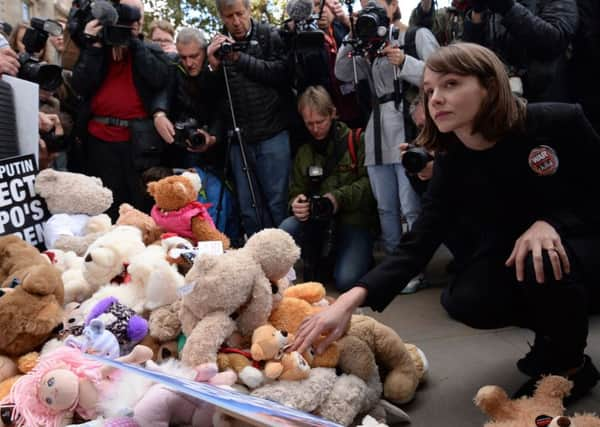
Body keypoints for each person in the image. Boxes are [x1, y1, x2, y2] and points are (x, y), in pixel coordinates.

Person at [293, 43, 600, 402]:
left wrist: (552, 223)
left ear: (488, 86)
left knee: (542, 257)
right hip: (522, 253)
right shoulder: (453, 160)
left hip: (583, 240)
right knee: (466, 298)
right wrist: (347, 302)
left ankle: (571, 367)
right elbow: (418, 243)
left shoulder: (559, 121)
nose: (435, 98)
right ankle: (554, 334)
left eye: (451, 84)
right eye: (429, 90)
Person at [335, 0, 439, 292]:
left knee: (410, 206)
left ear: (393, 5)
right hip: (376, 132)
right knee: (386, 208)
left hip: (406, 127)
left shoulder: (413, 36)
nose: (369, 6)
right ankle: (396, 266)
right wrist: (351, 34)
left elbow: (440, 76)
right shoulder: (365, 43)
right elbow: (343, 72)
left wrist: (405, 63)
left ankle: (415, 268)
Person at [71, 0, 169, 220]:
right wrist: (93, 46)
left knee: (140, 207)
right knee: (107, 207)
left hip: (138, 144)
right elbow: (80, 84)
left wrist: (135, 44)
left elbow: (159, 79)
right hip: (100, 142)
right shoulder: (97, 49)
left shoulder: (149, 49)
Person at [206, 0, 292, 236]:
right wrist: (212, 67)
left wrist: (238, 58)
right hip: (239, 138)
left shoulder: (268, 35)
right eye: (228, 16)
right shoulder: (216, 44)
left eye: (239, 14)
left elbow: (281, 74)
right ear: (221, 17)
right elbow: (213, 100)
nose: (235, 21)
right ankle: (257, 263)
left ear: (249, 10)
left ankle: (288, 264)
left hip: (273, 132)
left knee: (278, 203)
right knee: (249, 209)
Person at [280, 86, 378, 291]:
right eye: (309, 124)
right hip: (319, 224)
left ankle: (358, 255)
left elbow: (370, 186)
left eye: (320, 122)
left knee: (346, 281)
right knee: (286, 229)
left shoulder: (356, 141)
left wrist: (337, 198)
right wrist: (296, 203)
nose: (315, 129)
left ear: (333, 113)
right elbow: (295, 191)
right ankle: (326, 259)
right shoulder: (304, 152)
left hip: (354, 221)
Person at [462, 0, 578, 102]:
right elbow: (474, 56)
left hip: (544, 100)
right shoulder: (492, 8)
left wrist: (507, 8)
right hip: (501, 102)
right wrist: (477, 13)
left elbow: (554, 42)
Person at [152, 27, 224, 169]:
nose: (189, 63)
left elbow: (223, 107)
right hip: (180, 147)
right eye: (183, 57)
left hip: (216, 148)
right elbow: (163, 91)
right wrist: (159, 114)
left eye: (194, 56)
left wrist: (213, 137)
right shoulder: (173, 64)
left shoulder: (217, 66)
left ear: (205, 50)